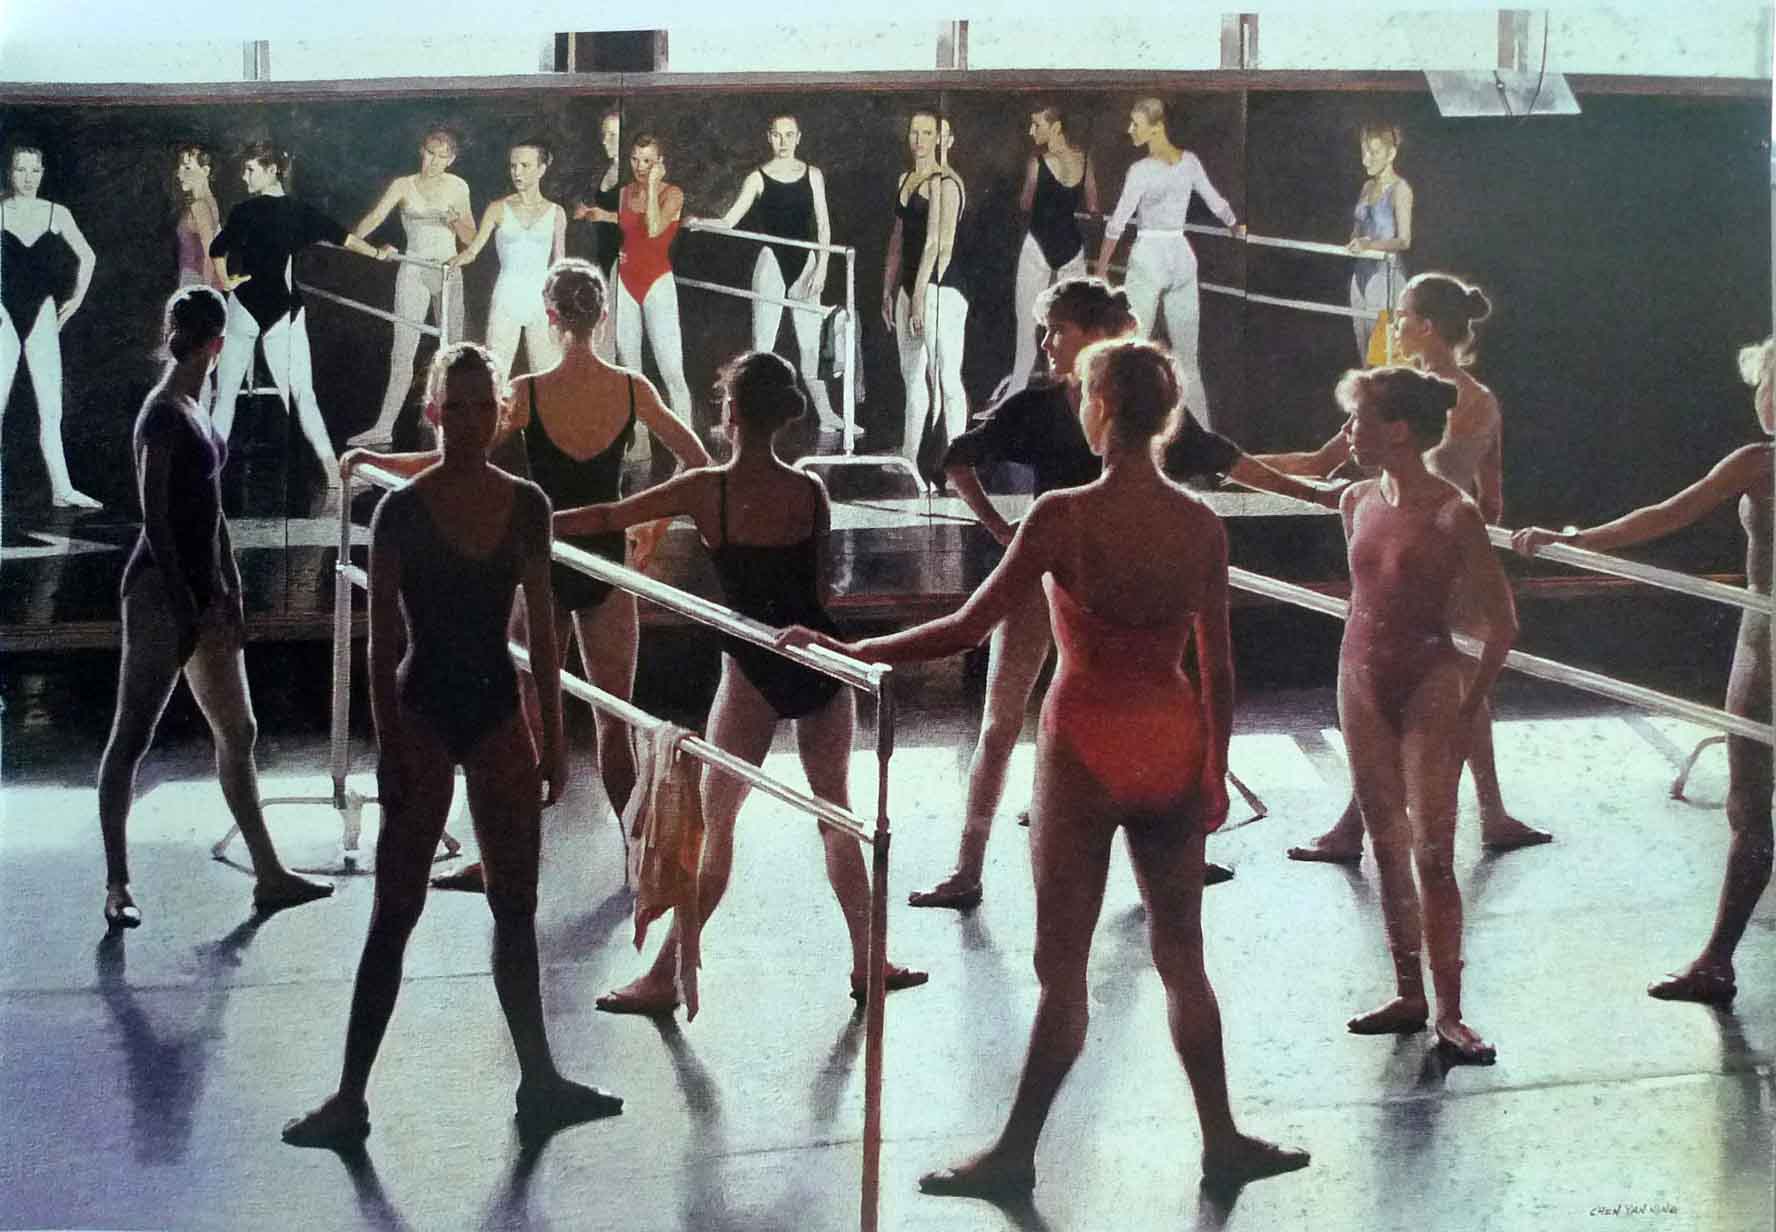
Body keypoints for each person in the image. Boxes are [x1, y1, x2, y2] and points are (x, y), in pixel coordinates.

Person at [780, 338, 1310, 1196]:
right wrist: (1213, 768)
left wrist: (854, 650)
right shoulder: (1199, 524)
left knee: (1062, 970)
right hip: (1170, 740)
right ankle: (1221, 1138)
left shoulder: (1063, 516)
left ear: (1099, 410)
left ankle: (1017, 1152)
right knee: (1183, 956)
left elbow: (967, 626)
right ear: (1167, 416)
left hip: (1085, 746)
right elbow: (1219, 666)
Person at [281, 343, 622, 1149]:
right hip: (426, 711)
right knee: (395, 910)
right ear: (433, 412)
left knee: (517, 906)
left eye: (481, 407)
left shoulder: (527, 504)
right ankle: (349, 1097)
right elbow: (381, 642)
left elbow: (544, 633)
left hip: (496, 710)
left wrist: (551, 735)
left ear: (500, 415)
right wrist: (390, 744)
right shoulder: (400, 511)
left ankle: (539, 1081)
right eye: (454, 407)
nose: (467, 422)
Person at [913, 277, 1338, 910]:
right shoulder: (1037, 405)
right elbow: (956, 457)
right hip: (1047, 573)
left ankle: (1177, 848)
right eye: (1046, 331)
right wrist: (1003, 529)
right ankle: (967, 868)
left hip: (1123, 574)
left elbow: (1225, 459)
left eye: (1058, 331)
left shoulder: (1138, 401)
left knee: (1146, 709)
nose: (1047, 343)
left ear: (1095, 335)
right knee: (1001, 719)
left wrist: (1314, 493)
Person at [556, 351, 925, 1013]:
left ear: (729, 413)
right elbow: (817, 591)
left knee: (717, 825)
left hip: (753, 665)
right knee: (836, 816)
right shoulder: (809, 490)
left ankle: (665, 976)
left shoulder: (707, 489)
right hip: (817, 657)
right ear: (780, 416)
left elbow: (611, 516)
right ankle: (869, 962)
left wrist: (532, 520)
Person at [344, 258, 710, 896]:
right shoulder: (630, 388)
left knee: (526, 720)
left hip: (544, 559)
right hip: (603, 561)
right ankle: (633, 864)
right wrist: (648, 527)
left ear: (549, 316)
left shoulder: (531, 391)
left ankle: (503, 861)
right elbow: (697, 461)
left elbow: (451, 456)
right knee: (613, 724)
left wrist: (373, 459)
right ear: (603, 316)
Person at [1512, 337, 1775, 1008]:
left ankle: (1717, 959)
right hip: (1761, 637)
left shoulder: (1758, 460)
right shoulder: (1758, 461)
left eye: (1770, 383)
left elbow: (1666, 514)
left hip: (1766, 640)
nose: (1764, 396)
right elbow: (1667, 514)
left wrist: (1576, 538)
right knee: (1748, 805)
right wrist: (1576, 540)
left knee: (1751, 807)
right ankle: (1717, 960)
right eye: (1764, 383)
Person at [1276, 273, 1550, 862]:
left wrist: (1234, 464)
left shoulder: (1395, 397)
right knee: (1455, 690)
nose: (1394, 325)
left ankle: (1356, 827)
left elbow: (1322, 464)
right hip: (1452, 558)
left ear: (1424, 326)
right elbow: (1492, 498)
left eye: (1400, 316)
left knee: (1400, 697)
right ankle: (1491, 812)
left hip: (1417, 565)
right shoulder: (1479, 399)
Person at [95, 287, 334, 930]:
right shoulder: (162, 413)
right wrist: (185, 602)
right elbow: (156, 519)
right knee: (132, 734)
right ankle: (117, 884)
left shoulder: (193, 409)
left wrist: (228, 588)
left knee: (239, 730)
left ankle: (270, 875)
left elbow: (212, 508)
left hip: (202, 593)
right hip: (159, 593)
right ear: (219, 344)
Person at [1334, 365, 1517, 1064]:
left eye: (1359, 421)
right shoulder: (1356, 499)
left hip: (1430, 683)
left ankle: (1451, 1012)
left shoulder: (1453, 512)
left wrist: (1468, 704)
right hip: (1360, 678)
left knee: (1434, 853)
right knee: (1386, 842)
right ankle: (1408, 993)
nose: (1348, 434)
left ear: (1399, 430)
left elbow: (1501, 624)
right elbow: (1364, 596)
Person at [209, 143, 385, 485]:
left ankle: (207, 475)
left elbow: (218, 250)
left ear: (272, 169)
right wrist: (377, 254)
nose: (244, 177)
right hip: (282, 308)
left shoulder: (244, 211)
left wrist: (227, 281)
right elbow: (345, 238)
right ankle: (333, 474)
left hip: (245, 303)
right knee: (303, 394)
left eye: (250, 169)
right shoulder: (299, 211)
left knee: (226, 395)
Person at [1094, 98, 1242, 432]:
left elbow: (1117, 223)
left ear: (1156, 127)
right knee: (1188, 361)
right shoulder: (1189, 162)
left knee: (1130, 353)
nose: (1130, 129)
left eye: (1136, 124)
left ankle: (1120, 437)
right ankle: (1206, 438)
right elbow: (1217, 203)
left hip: (1150, 254)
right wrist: (1236, 226)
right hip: (1181, 255)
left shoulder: (1141, 170)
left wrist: (1101, 268)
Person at [703, 113, 846, 434]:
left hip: (806, 263)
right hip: (771, 262)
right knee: (762, 348)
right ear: (769, 137)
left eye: (789, 135)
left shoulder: (813, 175)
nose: (783, 142)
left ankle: (826, 414)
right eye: (777, 135)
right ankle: (737, 416)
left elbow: (823, 225)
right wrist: (700, 222)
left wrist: (823, 266)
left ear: (799, 137)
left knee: (810, 346)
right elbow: (729, 221)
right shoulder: (757, 178)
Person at [346, 127, 475, 448]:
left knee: (453, 349)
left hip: (446, 270)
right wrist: (356, 241)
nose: (434, 161)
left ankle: (449, 420)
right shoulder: (403, 185)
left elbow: (472, 239)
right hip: (413, 268)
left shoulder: (458, 186)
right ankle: (383, 427)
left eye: (442, 156)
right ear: (421, 150)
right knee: (402, 350)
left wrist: (455, 221)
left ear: (452, 159)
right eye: (430, 153)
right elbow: (372, 219)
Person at [2, 143, 101, 508]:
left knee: (51, 406)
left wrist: (75, 301)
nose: (28, 178)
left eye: (34, 170)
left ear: (43, 173)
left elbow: (88, 256)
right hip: (4, 313)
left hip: (42, 312)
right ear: (10, 172)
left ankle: (62, 489)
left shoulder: (56, 213)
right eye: (21, 170)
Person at [882, 108, 968, 473]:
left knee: (947, 378)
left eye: (927, 133)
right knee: (913, 376)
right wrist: (888, 289)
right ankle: (908, 456)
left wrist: (919, 298)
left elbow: (938, 246)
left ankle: (959, 464)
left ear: (939, 138)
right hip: (909, 289)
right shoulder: (905, 179)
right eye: (914, 132)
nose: (919, 140)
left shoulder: (946, 183)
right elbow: (898, 239)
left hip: (941, 290)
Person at [449, 139, 566, 381]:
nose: (517, 172)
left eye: (525, 165)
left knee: (546, 378)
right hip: (506, 299)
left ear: (541, 169)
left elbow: (560, 265)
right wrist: (452, 262)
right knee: (495, 376)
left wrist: (560, 311)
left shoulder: (557, 213)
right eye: (513, 166)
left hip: (541, 302)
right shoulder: (497, 208)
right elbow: (473, 251)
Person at [1006, 103, 1098, 395]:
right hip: (1071, 246)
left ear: (1056, 127)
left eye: (1037, 125)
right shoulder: (1084, 160)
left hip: (1039, 244)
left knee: (1027, 329)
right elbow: (1093, 207)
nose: (1031, 131)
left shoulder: (1037, 162)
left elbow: (1025, 203)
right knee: (1071, 329)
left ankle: (1017, 397)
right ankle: (1069, 397)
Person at [612, 133, 696, 450]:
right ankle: (640, 445)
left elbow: (653, 228)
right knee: (631, 371)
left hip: (658, 283)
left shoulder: (672, 193)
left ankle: (689, 449)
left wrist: (651, 186)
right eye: (635, 159)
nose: (640, 166)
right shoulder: (623, 193)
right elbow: (621, 230)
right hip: (625, 282)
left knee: (671, 370)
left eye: (647, 160)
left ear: (660, 162)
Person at [1347, 124, 1414, 363]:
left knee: (1383, 360)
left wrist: (1369, 245)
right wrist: (1356, 240)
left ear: (1391, 153)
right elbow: (1357, 232)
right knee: (1364, 357)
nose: (1366, 160)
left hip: (1386, 279)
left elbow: (1404, 240)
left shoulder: (1401, 189)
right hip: (1359, 278)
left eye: (1373, 153)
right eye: (1364, 152)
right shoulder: (1366, 187)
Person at [569, 110, 624, 359]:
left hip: (625, 255)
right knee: (602, 324)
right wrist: (585, 211)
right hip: (601, 253)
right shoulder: (604, 170)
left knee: (618, 329)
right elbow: (597, 209)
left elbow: (642, 218)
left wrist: (604, 215)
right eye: (604, 134)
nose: (605, 141)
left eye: (612, 135)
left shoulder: (633, 174)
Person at [172, 145, 224, 291]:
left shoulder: (200, 206)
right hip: (195, 281)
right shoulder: (208, 202)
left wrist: (205, 291)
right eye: (180, 168)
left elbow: (211, 254)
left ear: (205, 171)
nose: (180, 175)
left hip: (195, 283)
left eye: (187, 168)